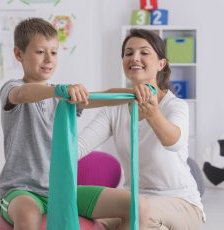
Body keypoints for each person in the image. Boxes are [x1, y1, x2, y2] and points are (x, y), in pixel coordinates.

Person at [0, 18, 149, 230]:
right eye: (40, 52)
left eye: (54, 52)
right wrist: (57, 90)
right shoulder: (12, 88)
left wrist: (131, 93)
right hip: (22, 190)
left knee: (136, 206)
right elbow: (22, 94)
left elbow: (100, 96)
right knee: (27, 214)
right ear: (19, 54)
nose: (49, 59)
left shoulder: (63, 96)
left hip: (63, 189)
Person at [78, 28, 205, 230]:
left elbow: (174, 142)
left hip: (181, 202)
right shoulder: (115, 108)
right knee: (90, 224)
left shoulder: (175, 105)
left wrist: (153, 113)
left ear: (161, 64)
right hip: (134, 199)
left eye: (144, 53)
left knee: (139, 216)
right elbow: (79, 146)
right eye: (128, 53)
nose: (135, 58)